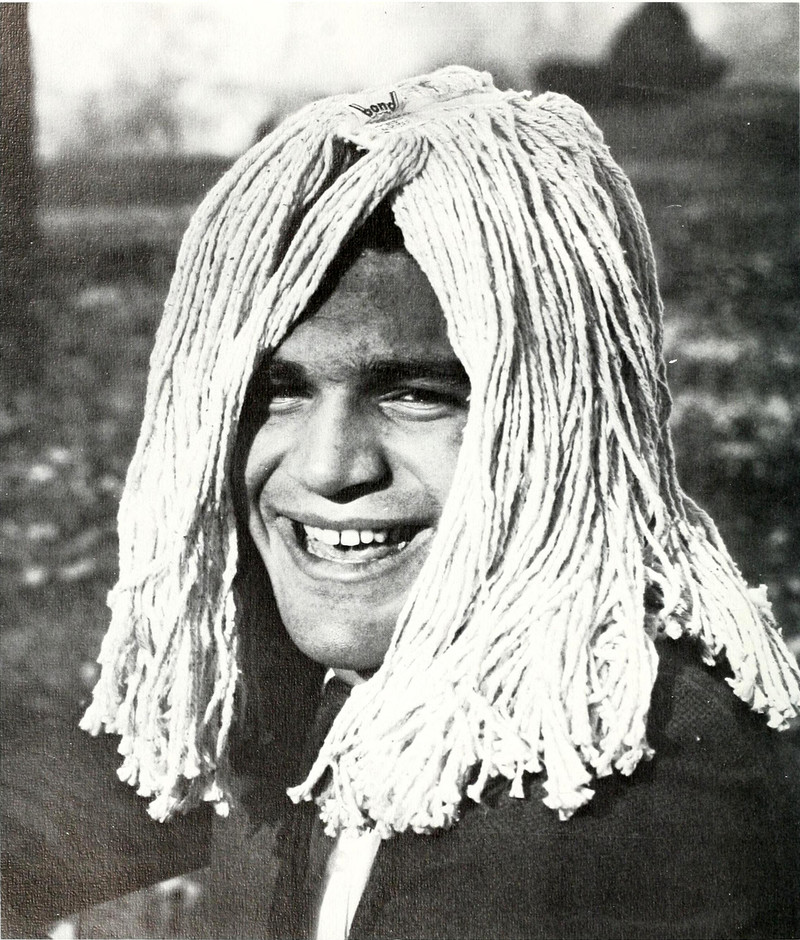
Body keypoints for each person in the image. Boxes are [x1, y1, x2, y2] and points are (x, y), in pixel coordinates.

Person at [77, 66, 799, 939]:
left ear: (561, 422)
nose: (329, 467)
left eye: (416, 395)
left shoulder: (624, 787)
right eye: (276, 391)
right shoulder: (318, 691)